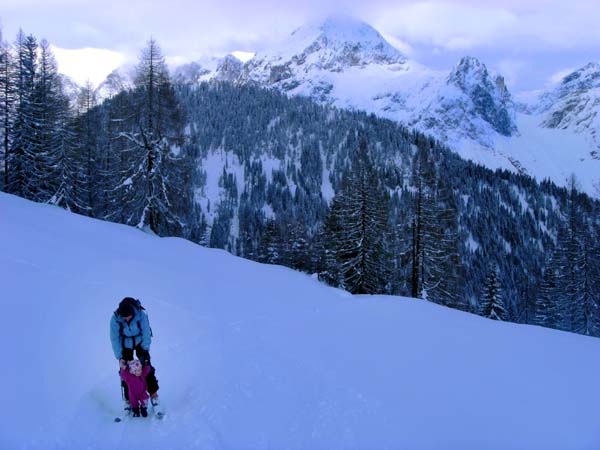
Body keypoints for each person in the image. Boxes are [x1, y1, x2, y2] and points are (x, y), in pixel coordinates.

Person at [110, 297, 161, 415]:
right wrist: (120, 357)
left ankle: (154, 396)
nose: (126, 319)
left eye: (128, 316)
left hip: (140, 342)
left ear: (133, 312)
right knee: (125, 372)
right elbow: (114, 338)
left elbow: (146, 332)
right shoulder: (115, 319)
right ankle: (128, 400)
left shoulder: (141, 314)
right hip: (125, 344)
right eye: (124, 317)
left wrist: (145, 350)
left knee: (147, 368)